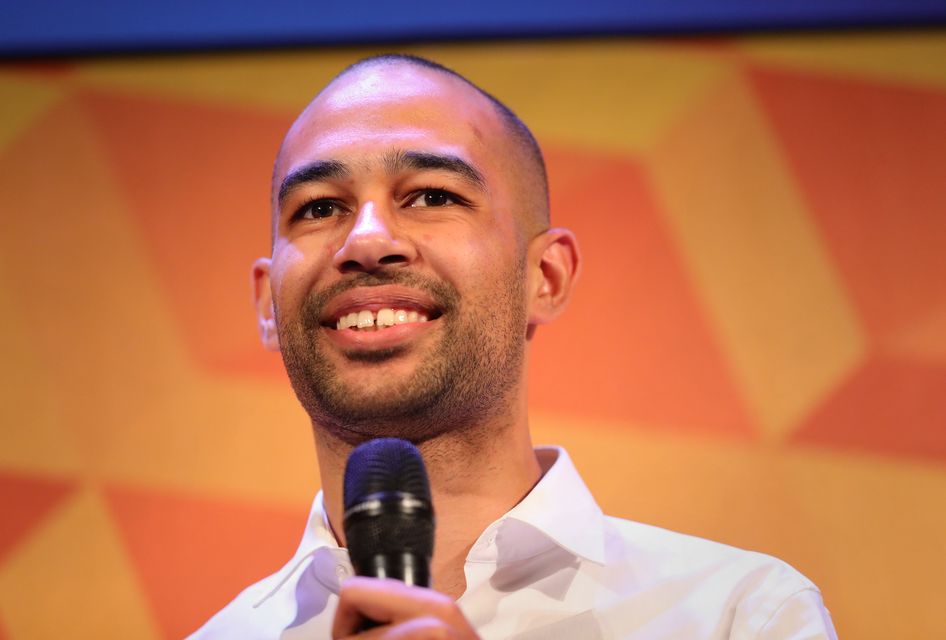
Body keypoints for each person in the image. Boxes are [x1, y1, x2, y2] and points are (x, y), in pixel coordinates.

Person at [190, 54, 838, 639]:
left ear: (545, 278)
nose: (365, 240)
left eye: (432, 196)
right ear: (267, 303)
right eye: (318, 207)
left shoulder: (739, 615)